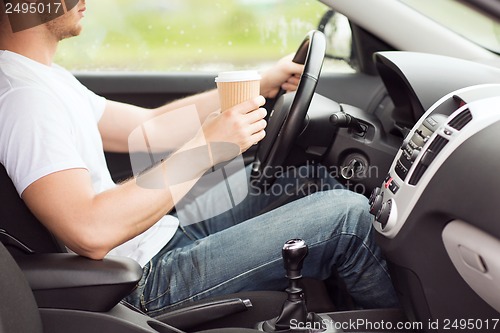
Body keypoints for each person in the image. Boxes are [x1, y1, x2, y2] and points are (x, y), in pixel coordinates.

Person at [0, 0, 398, 317]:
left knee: (303, 178)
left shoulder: (43, 78)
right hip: (136, 281)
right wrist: (207, 149)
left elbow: (151, 127)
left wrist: (260, 83)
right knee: (350, 218)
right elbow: (89, 230)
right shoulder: (23, 98)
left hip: (156, 239)